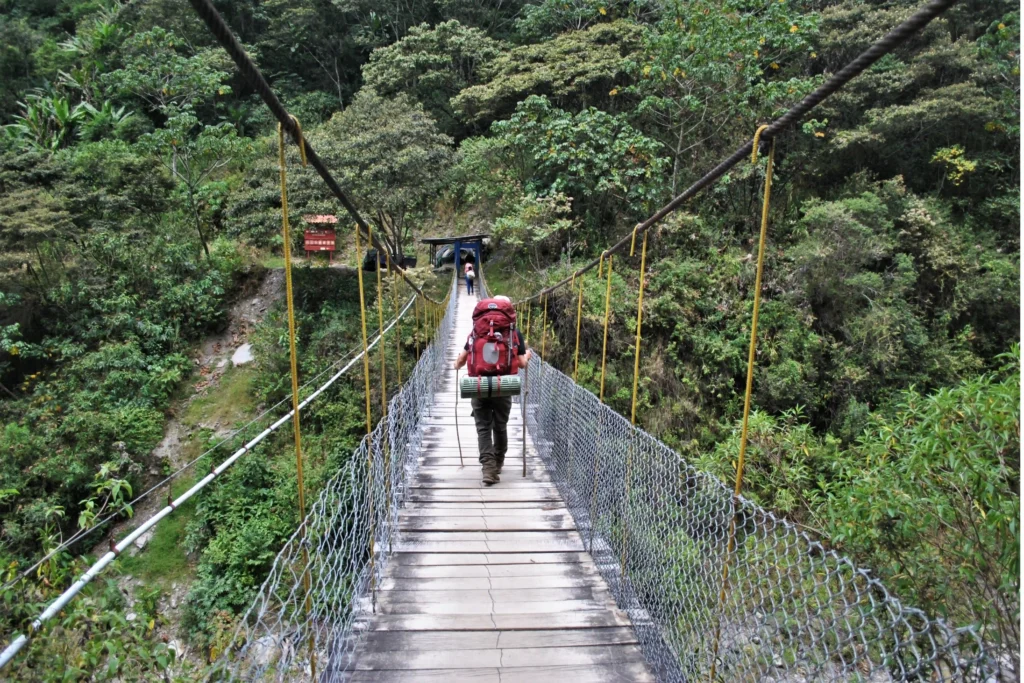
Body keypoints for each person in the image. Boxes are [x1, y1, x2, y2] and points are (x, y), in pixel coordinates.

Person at [454, 296, 532, 485]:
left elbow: (461, 361)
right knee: (500, 425)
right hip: (503, 385)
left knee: (483, 428)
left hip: (478, 385)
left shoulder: (477, 330)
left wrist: (457, 363)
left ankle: (488, 468)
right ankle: (498, 462)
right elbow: (521, 363)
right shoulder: (514, 333)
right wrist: (528, 354)